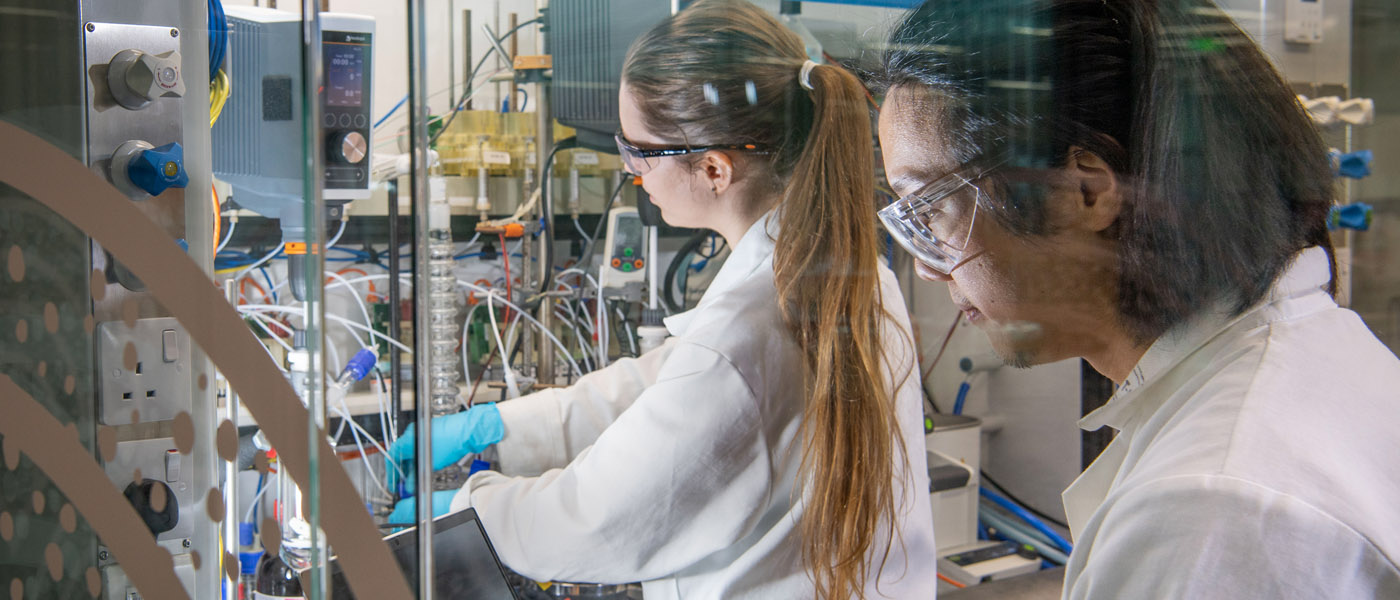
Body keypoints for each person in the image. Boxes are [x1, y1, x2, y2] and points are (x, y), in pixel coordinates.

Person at [386, 1, 937, 598]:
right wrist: (499, 428)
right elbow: (664, 386)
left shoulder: (752, 326)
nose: (634, 174)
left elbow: (594, 519)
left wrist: (467, 510)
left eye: (639, 152)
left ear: (713, 169)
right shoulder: (848, 275)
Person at [873, 0, 1400, 597]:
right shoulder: (1316, 356)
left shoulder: (1209, 509)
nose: (925, 267)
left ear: (1086, 189)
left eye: (930, 207)